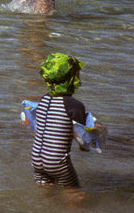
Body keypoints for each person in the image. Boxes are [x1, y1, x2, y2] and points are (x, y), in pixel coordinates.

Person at [28, 53, 89, 189]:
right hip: (56, 161)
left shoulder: (43, 100)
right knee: (73, 192)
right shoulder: (74, 106)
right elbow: (84, 140)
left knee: (46, 191)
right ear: (70, 79)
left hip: (36, 158)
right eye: (77, 75)